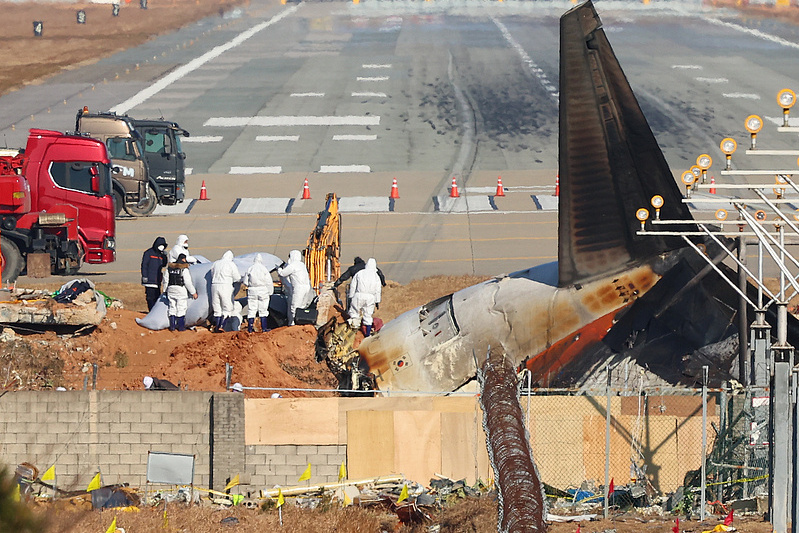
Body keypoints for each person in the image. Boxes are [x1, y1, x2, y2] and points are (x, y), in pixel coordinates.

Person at [347, 258, 382, 337]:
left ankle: (353, 332)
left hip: (359, 295)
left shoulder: (360, 273)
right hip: (370, 297)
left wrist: (351, 296)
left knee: (354, 313)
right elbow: (378, 290)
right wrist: (377, 301)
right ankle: (367, 334)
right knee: (368, 315)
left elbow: (353, 285)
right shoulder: (376, 276)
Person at [277, 249, 313, 326]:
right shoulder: (302, 265)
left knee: (294, 307)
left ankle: (294, 325)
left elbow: (283, 273)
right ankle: (301, 322)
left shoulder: (293, 265)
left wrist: (279, 268)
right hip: (307, 288)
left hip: (299, 288)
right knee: (302, 307)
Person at [165, 253, 198, 331]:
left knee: (172, 307)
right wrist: (193, 292)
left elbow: (166, 280)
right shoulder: (184, 269)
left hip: (171, 289)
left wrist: (164, 291)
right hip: (180, 290)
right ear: (184, 259)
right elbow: (187, 282)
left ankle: (172, 326)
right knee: (181, 307)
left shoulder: (169, 269)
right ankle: (181, 327)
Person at [211, 250, 241, 332]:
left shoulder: (216, 263)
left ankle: (216, 327)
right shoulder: (231, 264)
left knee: (217, 308)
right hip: (226, 286)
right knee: (227, 308)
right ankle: (222, 326)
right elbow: (237, 277)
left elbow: (212, 273)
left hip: (214, 285)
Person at [243, 253, 274, 333]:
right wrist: (270, 292)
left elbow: (245, 281)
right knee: (263, 309)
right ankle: (264, 328)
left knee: (252, 309)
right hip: (263, 290)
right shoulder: (264, 269)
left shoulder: (250, 268)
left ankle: (250, 328)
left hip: (252, 290)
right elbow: (269, 281)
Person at [140, 236, 167, 311]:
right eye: (160, 245)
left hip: (157, 280)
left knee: (157, 297)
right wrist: (144, 276)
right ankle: (151, 311)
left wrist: (164, 256)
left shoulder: (161, 255)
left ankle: (155, 311)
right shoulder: (149, 253)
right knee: (150, 297)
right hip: (149, 280)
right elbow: (144, 265)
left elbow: (164, 264)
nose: (161, 247)